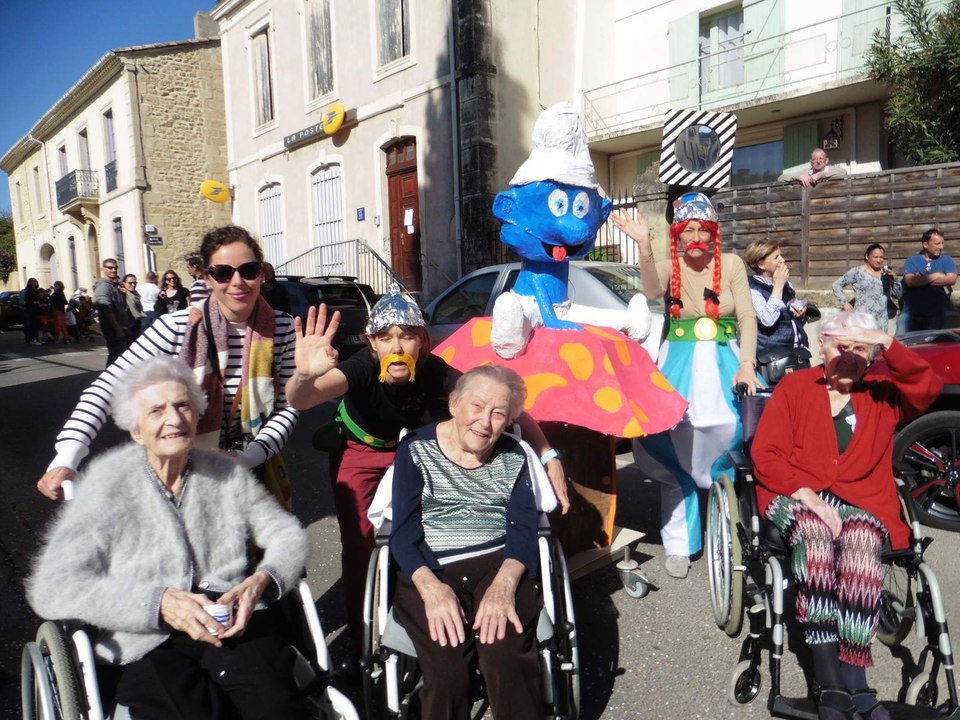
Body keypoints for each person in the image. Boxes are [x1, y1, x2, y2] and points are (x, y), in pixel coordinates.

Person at [285, 284, 567, 660]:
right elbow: (305, 397)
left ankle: (416, 605)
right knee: (360, 544)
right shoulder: (361, 367)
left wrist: (549, 456)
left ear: (423, 342)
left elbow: (503, 401)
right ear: (372, 344)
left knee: (419, 527)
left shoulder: (434, 371)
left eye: (406, 336)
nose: (396, 347)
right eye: (385, 338)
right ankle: (361, 635)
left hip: (409, 451)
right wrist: (304, 377)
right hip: (360, 449)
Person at [27, 356, 311, 720]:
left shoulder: (225, 473)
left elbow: (286, 534)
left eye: (182, 405)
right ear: (135, 429)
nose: (174, 419)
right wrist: (157, 604)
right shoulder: (106, 484)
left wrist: (264, 578)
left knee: (276, 704)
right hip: (143, 639)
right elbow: (53, 586)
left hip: (229, 620)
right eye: (157, 411)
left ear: (196, 414)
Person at [751, 312, 940, 719]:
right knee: (815, 540)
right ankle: (829, 681)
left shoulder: (883, 392)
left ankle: (856, 680)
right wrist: (808, 497)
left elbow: (927, 386)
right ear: (821, 346)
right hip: (796, 494)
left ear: (871, 355)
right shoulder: (795, 386)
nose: (850, 356)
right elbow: (765, 453)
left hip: (862, 501)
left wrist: (883, 340)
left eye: (860, 349)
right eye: (841, 346)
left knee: (860, 545)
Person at [37, 225, 299, 507]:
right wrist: (67, 456)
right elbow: (106, 388)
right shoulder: (177, 327)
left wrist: (250, 457)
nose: (237, 281)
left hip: (252, 468)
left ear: (261, 274)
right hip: (181, 469)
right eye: (222, 272)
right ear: (207, 278)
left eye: (248, 270)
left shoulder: (282, 327)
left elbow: (287, 406)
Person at [611, 192, 758, 579]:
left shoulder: (731, 264)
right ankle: (680, 540)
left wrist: (746, 364)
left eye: (701, 229)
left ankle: (730, 527)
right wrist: (643, 244)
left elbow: (746, 315)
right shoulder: (669, 265)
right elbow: (651, 290)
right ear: (677, 233)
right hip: (678, 363)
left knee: (734, 433)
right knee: (668, 436)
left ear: (713, 232)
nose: (695, 235)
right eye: (687, 229)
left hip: (726, 362)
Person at [390, 365, 541, 720]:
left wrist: (504, 585)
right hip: (431, 569)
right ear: (455, 404)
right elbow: (403, 534)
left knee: (504, 655)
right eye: (477, 406)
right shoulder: (415, 450)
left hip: (499, 564)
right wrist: (431, 589)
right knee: (446, 670)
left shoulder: (514, 455)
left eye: (499, 413)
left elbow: (523, 530)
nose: (485, 422)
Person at [743, 240, 810, 357]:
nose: (782, 260)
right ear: (761, 264)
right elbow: (767, 320)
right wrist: (778, 286)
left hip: (795, 351)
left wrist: (800, 315)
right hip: (771, 357)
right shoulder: (752, 288)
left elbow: (789, 315)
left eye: (781, 255)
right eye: (776, 257)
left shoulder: (786, 283)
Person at [897, 228, 957, 334]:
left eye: (942, 243)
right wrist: (937, 275)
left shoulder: (946, 260)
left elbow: (952, 279)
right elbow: (910, 282)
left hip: (935, 313)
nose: (941, 247)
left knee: (930, 347)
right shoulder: (912, 260)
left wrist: (920, 278)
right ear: (925, 245)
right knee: (902, 343)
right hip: (911, 313)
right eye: (937, 244)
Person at [832, 243, 902, 333]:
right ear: (867, 256)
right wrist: (845, 303)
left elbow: (897, 295)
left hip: (881, 322)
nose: (879, 260)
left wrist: (895, 279)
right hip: (863, 321)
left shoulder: (886, 274)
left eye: (881, 257)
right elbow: (836, 285)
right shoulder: (858, 272)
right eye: (875, 257)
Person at [93, 258, 131, 366]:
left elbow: (120, 306)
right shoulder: (103, 287)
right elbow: (106, 309)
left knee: (121, 356)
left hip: (121, 326)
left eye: (115, 268)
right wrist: (117, 329)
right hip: (112, 328)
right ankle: (109, 380)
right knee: (116, 356)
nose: (113, 270)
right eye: (110, 268)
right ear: (103, 269)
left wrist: (123, 295)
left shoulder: (114, 286)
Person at [778, 148, 847, 187]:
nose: (818, 161)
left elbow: (844, 173)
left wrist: (820, 175)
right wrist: (799, 176)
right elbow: (781, 178)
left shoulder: (832, 169)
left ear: (826, 161)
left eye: (821, 158)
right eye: (815, 159)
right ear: (811, 162)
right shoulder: (807, 172)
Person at [121, 273, 144, 345]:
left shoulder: (136, 294)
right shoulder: (122, 293)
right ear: (124, 283)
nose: (133, 285)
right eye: (130, 283)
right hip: (127, 325)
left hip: (136, 323)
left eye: (135, 283)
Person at [21, 277, 42, 346]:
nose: (34, 283)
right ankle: (32, 339)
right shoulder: (29, 290)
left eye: (35, 282)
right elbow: (29, 300)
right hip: (31, 309)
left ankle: (34, 338)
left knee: (34, 325)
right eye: (33, 282)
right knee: (32, 325)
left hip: (33, 309)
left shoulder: (34, 290)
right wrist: (36, 302)